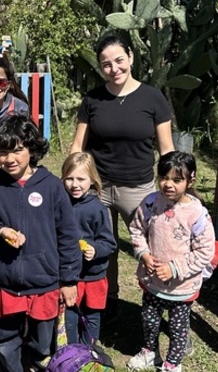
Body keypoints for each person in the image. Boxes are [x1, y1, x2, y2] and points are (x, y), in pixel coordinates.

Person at [0, 113, 82, 372]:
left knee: (42, 343)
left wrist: (68, 280)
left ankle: (38, 370)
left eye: (17, 150)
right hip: (5, 281)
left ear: (31, 148)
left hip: (44, 281)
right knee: (5, 340)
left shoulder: (53, 187)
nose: (9, 159)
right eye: (3, 151)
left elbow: (68, 235)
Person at [70, 34, 174, 298]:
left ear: (131, 57)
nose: (114, 68)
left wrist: (173, 186)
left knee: (153, 248)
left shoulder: (152, 98)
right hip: (97, 188)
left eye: (119, 60)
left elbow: (166, 149)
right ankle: (106, 300)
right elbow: (77, 147)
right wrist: (71, 181)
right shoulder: (92, 100)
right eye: (106, 64)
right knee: (100, 247)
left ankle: (156, 300)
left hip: (138, 189)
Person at [126, 151, 216, 372]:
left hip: (181, 287)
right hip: (152, 280)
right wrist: (143, 253)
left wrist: (175, 268)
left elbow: (206, 251)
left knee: (177, 327)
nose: (168, 184)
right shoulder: (150, 203)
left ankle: (172, 366)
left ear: (190, 180)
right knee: (149, 318)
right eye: (164, 177)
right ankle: (150, 352)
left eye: (177, 180)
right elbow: (136, 229)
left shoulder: (196, 214)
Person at [60, 152, 117, 346]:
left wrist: (95, 250)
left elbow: (109, 243)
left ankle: (89, 349)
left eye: (81, 179)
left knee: (92, 315)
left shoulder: (97, 209)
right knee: (70, 316)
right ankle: (71, 351)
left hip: (93, 275)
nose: (74, 184)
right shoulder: (60, 204)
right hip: (69, 276)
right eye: (69, 178)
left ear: (92, 180)